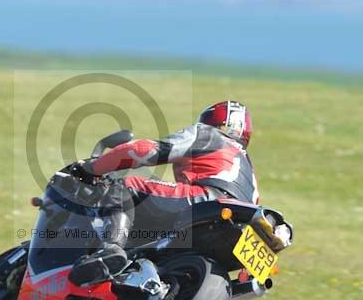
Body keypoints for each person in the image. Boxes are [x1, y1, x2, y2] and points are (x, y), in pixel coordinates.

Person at [67, 100, 259, 286]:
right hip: (238, 222)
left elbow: (148, 150)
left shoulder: (206, 134)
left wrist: (92, 168)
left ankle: (110, 249)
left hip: (209, 199)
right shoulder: (248, 167)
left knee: (126, 185)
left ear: (211, 120)